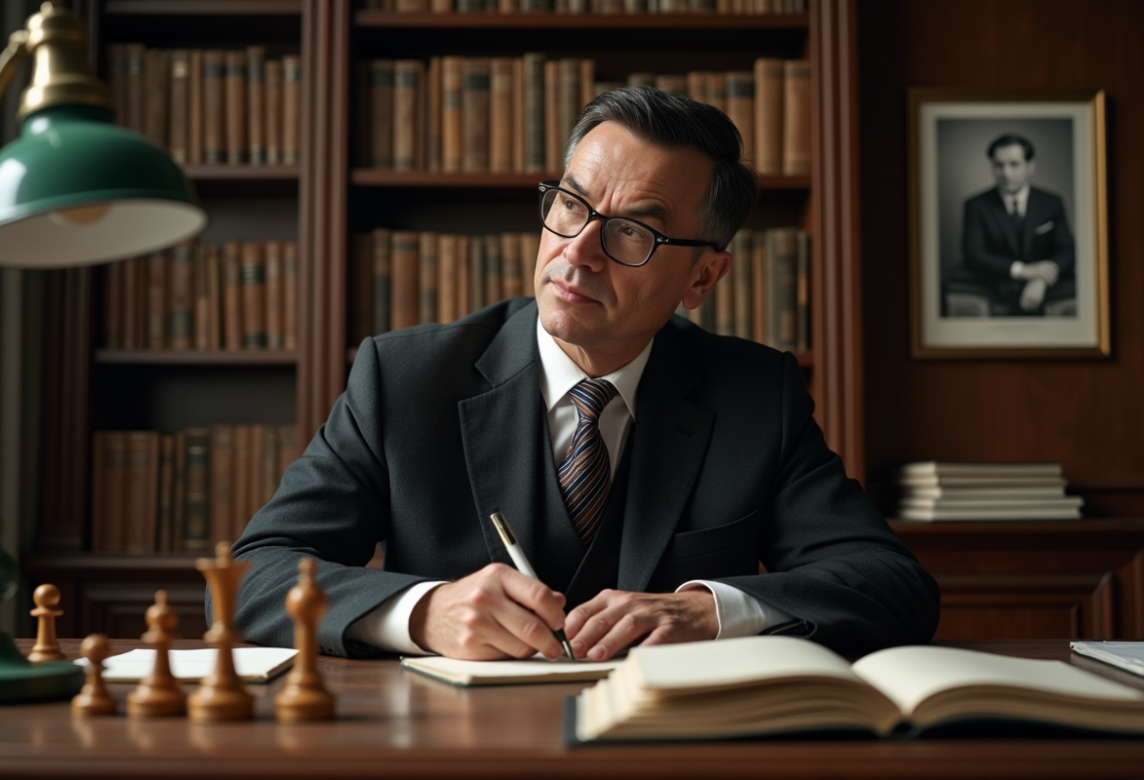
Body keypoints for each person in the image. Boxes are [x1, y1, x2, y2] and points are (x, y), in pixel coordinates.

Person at [230, 87, 939, 663]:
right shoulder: (404, 378)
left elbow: (893, 587)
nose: (579, 251)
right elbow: (249, 580)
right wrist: (421, 614)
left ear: (703, 275)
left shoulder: (757, 396)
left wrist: (709, 610)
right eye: (572, 204)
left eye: (635, 230)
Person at [960, 133, 1075, 315]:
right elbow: (973, 255)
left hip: (1048, 293)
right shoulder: (976, 205)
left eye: (1014, 164)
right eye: (999, 165)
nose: (1006, 173)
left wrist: (1041, 278)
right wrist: (1023, 271)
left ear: (1030, 166)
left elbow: (1067, 250)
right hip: (996, 289)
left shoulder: (1052, 202)